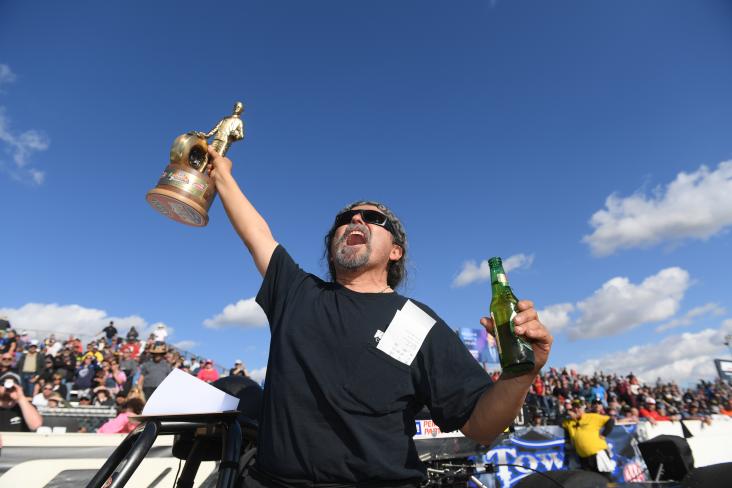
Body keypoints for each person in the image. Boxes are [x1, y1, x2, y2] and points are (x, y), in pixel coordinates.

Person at [207, 147, 553, 487]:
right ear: (332, 250)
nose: (355, 220)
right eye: (344, 219)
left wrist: (522, 373)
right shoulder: (297, 292)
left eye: (373, 219)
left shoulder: (418, 322)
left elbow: (481, 426)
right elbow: (257, 234)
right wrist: (221, 174)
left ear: (396, 251)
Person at [562, 399, 615, 477]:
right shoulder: (568, 422)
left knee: (606, 478)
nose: (576, 409)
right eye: (574, 407)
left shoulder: (592, 416)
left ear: (583, 408)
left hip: (598, 454)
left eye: (578, 407)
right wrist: (567, 413)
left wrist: (604, 434)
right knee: (589, 480)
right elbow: (558, 421)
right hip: (583, 457)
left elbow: (610, 420)